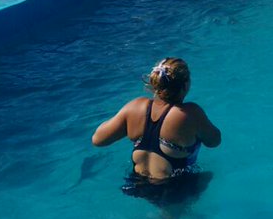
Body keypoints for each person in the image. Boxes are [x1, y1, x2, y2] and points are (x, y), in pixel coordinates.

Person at [92, 58, 222, 181]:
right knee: (208, 176)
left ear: (155, 83)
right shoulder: (190, 113)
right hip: (175, 191)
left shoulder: (134, 107)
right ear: (185, 85)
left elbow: (98, 140)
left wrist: (127, 122)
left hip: (136, 184)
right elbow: (214, 141)